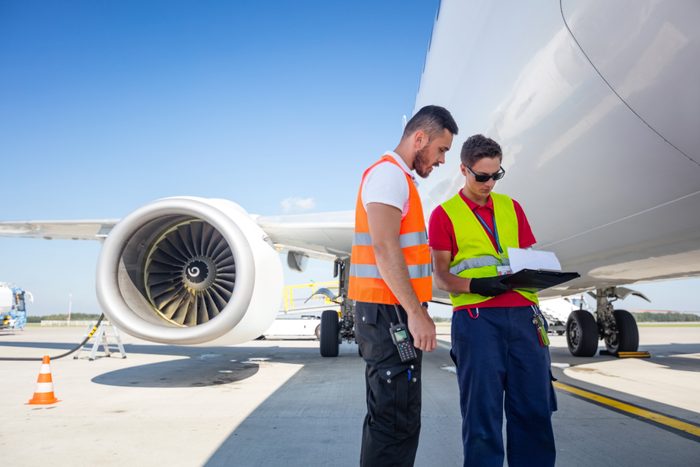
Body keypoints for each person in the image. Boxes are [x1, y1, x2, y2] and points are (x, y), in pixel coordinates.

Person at [429, 134, 557, 467]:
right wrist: (478, 284)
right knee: (482, 417)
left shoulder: (511, 207)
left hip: (525, 321)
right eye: (481, 176)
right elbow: (441, 277)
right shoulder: (444, 215)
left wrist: (542, 275)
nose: (489, 183)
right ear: (464, 170)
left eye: (496, 175)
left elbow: (525, 256)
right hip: (477, 322)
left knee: (534, 411)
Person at [348, 105, 458, 466]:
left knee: (395, 418)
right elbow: (384, 247)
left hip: (388, 311)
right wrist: (415, 312)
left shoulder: (398, 178)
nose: (441, 160)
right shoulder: (388, 176)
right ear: (420, 138)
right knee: (394, 421)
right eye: (441, 149)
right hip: (388, 313)